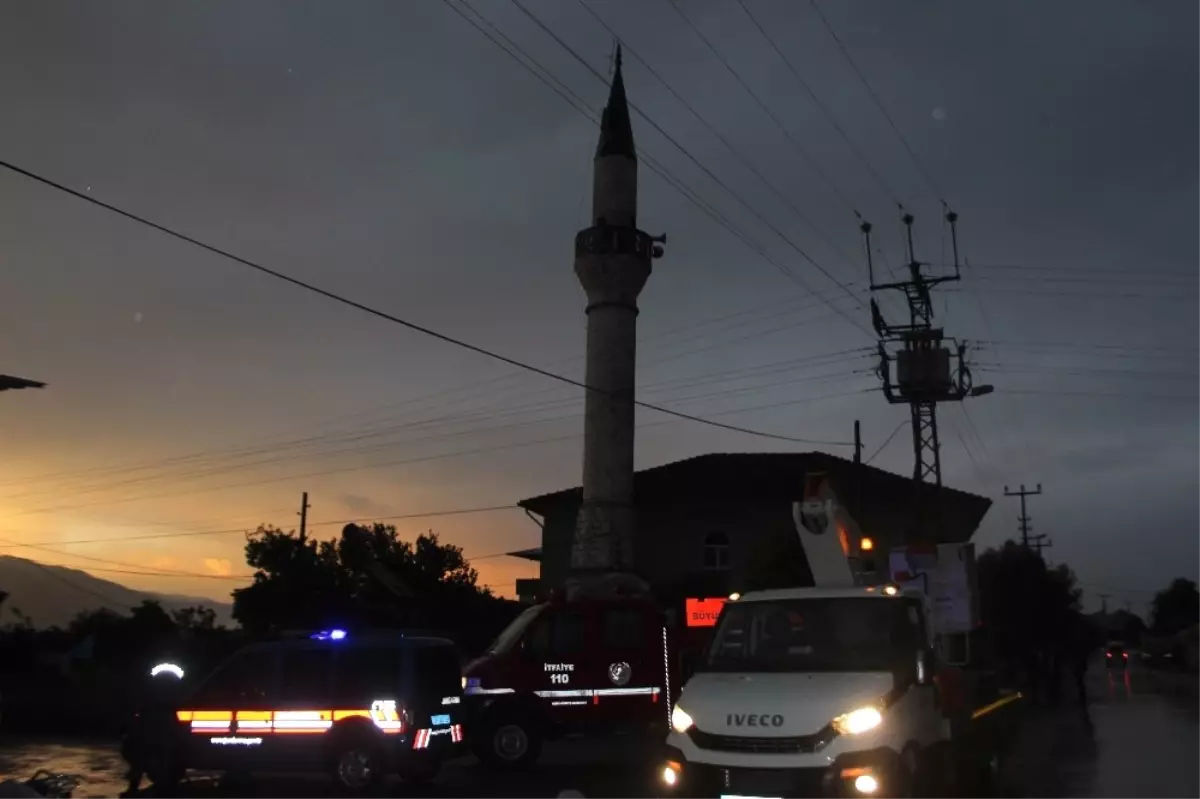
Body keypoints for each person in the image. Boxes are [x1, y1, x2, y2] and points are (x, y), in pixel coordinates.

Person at [120, 668, 186, 798]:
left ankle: (152, 786)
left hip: (159, 729)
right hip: (154, 729)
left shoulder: (158, 697)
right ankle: (150, 786)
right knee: (141, 757)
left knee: (149, 758)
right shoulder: (157, 698)